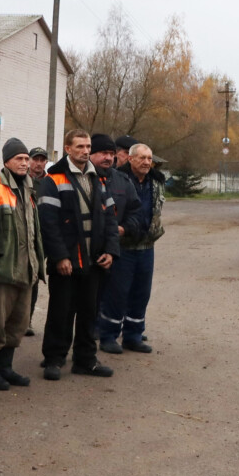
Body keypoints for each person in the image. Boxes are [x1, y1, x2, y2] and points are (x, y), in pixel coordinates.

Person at [38, 129, 119, 379]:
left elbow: (109, 219)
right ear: (67, 149)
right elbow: (48, 224)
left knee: (88, 313)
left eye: (88, 146)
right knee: (60, 312)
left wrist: (110, 250)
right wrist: (60, 257)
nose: (85, 151)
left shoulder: (98, 179)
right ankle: (54, 359)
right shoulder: (53, 180)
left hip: (93, 260)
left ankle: (85, 359)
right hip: (67, 262)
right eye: (80, 146)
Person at [0, 138, 44, 389]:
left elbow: (33, 230)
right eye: (20, 158)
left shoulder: (29, 189)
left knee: (17, 324)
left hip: (26, 269)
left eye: (27, 159)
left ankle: (6, 368)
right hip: (3, 270)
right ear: (6, 161)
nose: (25, 163)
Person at [99, 143, 165, 354]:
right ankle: (108, 336)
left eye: (149, 158)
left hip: (146, 246)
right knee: (117, 293)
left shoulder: (156, 182)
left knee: (141, 293)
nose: (146, 162)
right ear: (130, 159)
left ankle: (133, 335)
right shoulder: (118, 180)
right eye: (142, 158)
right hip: (123, 245)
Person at [89, 134, 142, 354]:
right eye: (103, 153)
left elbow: (135, 212)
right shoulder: (82, 179)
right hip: (86, 250)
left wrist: (124, 228)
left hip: (113, 248)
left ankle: (105, 334)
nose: (108, 158)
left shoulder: (123, 182)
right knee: (82, 300)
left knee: (113, 294)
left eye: (111, 154)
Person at [25, 146, 50, 336]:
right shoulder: (20, 179)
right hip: (24, 236)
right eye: (36, 159)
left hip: (43, 239)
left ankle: (27, 320)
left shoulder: (49, 182)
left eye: (42, 160)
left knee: (34, 279)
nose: (39, 163)